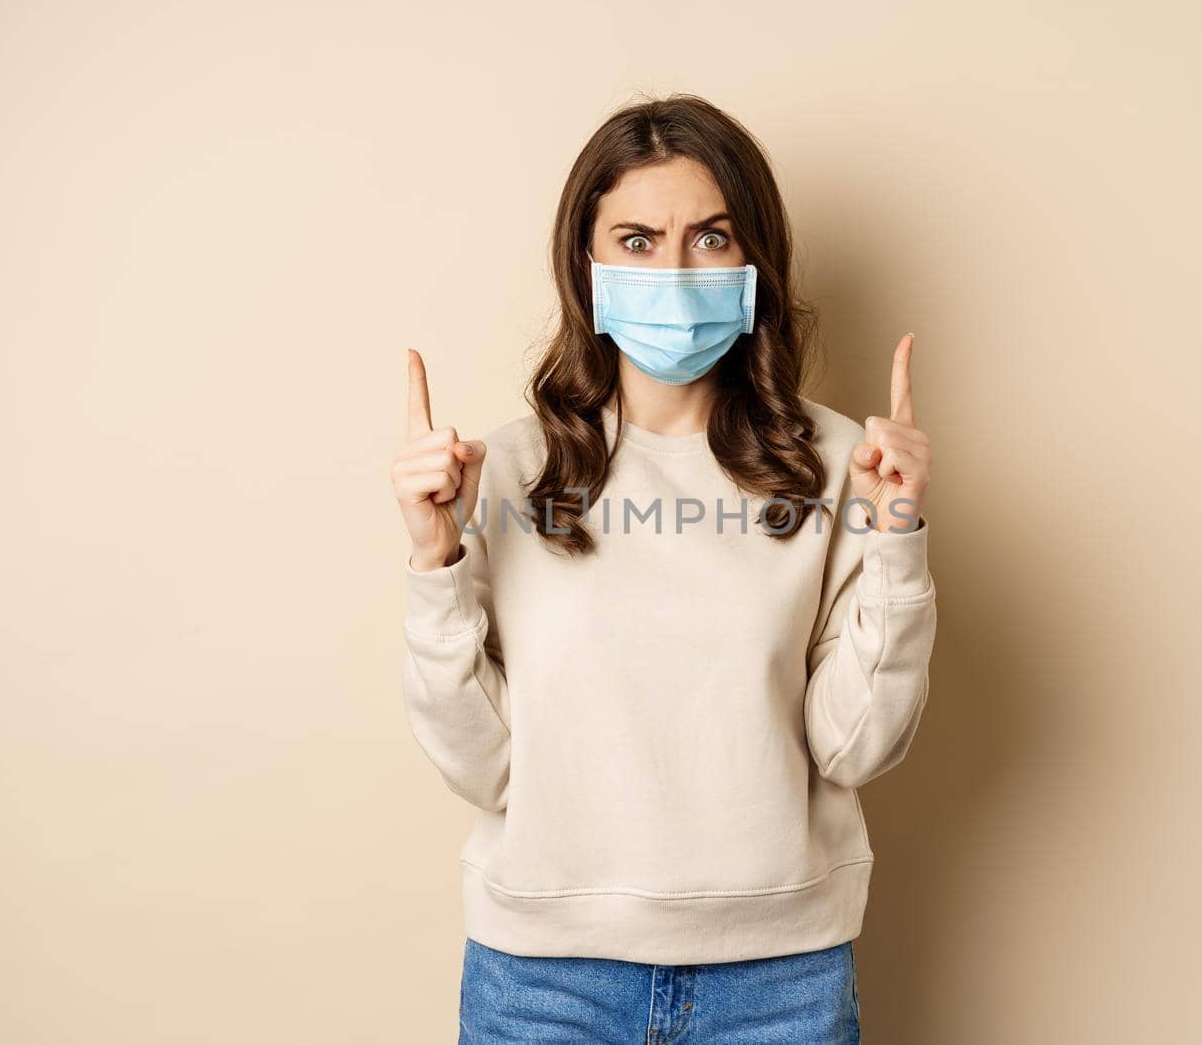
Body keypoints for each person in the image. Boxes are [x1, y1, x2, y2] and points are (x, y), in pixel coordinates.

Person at [391, 93, 937, 1043]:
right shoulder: (514, 469)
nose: (674, 272)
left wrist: (897, 536)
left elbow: (855, 747)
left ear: (754, 260)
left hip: (781, 985)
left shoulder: (843, 461)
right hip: (543, 985)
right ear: (588, 264)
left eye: (711, 237)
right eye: (637, 241)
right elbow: (483, 767)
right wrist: (436, 558)